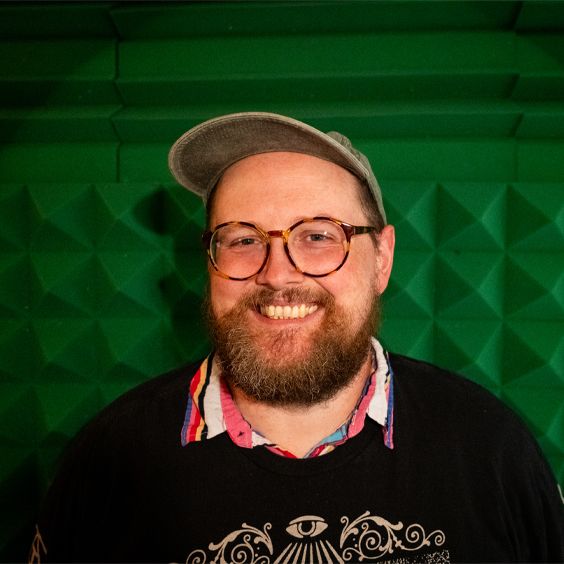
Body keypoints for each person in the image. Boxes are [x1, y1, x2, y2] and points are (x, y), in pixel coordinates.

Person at [31, 112, 564, 563]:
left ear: (382, 259)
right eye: (242, 239)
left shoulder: (492, 449)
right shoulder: (109, 460)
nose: (277, 273)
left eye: (318, 236)